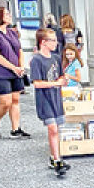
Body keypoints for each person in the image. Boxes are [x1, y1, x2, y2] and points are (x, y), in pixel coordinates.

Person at [0, 6, 29, 139]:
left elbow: (19, 51)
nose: (10, 15)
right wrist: (13, 68)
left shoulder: (12, 32)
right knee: (6, 103)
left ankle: (16, 129)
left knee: (15, 99)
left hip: (15, 71)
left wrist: (21, 66)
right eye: (6, 14)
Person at [29, 28, 70, 173]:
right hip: (45, 99)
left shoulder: (56, 58)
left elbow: (60, 76)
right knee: (52, 128)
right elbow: (37, 83)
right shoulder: (36, 60)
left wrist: (63, 80)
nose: (56, 43)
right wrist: (56, 83)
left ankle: (54, 157)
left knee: (56, 129)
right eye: (52, 40)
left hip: (56, 98)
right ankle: (57, 161)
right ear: (43, 42)